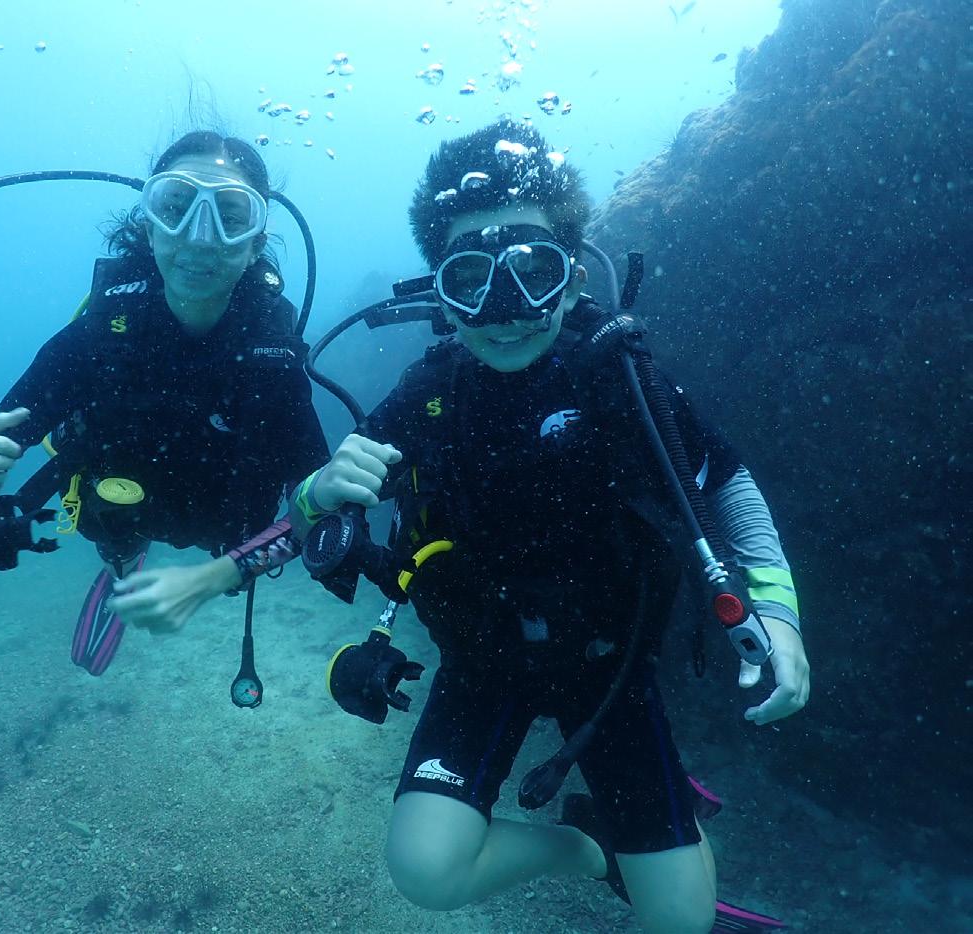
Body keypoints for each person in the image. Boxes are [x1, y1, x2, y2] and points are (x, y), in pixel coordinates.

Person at [291, 119, 809, 934]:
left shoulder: (614, 377)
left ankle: (651, 843)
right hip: (480, 659)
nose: (505, 311)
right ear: (441, 294)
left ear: (571, 281)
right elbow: (310, 513)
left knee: (679, 922)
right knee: (424, 870)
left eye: (533, 272)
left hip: (606, 666)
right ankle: (589, 846)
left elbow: (726, 482)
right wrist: (317, 491)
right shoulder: (428, 395)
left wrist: (777, 612)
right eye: (470, 278)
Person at [0, 130, 329, 674]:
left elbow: (319, 502)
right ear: (149, 224)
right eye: (176, 207)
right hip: (123, 507)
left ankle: (156, 561)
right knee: (114, 531)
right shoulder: (99, 336)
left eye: (230, 217)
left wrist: (219, 576)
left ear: (255, 241)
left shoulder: (271, 358)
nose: (200, 238)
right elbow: (2, 436)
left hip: (227, 534)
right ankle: (123, 563)